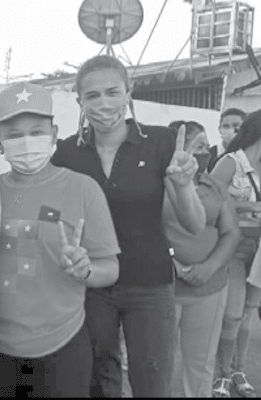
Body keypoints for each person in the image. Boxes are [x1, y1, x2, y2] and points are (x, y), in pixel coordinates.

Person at [50, 54, 206, 398]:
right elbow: (51, 213)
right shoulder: (66, 153)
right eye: (92, 96)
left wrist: (182, 184)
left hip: (149, 284)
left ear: (128, 92)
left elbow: (195, 224)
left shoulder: (160, 142)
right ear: (80, 102)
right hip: (91, 285)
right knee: (98, 383)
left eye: (112, 92)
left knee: (151, 381)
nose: (104, 103)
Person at [0, 82, 120, 398]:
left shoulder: (82, 189)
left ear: (54, 133)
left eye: (36, 131)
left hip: (62, 347)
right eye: (14, 134)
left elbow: (110, 268)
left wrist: (86, 270)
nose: (26, 141)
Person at [163, 120, 240, 397]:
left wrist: (208, 267)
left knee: (201, 365)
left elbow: (231, 233)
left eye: (207, 146)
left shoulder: (215, 185)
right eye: (198, 146)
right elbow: (144, 231)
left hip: (209, 287)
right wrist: (170, 259)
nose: (206, 151)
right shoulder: (157, 185)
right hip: (164, 289)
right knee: (158, 364)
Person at [210, 109, 261, 398]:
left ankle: (239, 371)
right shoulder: (231, 162)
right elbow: (208, 201)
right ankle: (223, 374)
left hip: (260, 250)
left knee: (249, 313)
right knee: (232, 315)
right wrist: (250, 208)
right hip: (234, 247)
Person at [208, 108, 247, 172]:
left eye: (236, 125)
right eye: (226, 126)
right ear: (219, 129)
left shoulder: (251, 155)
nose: (231, 130)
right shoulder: (209, 155)